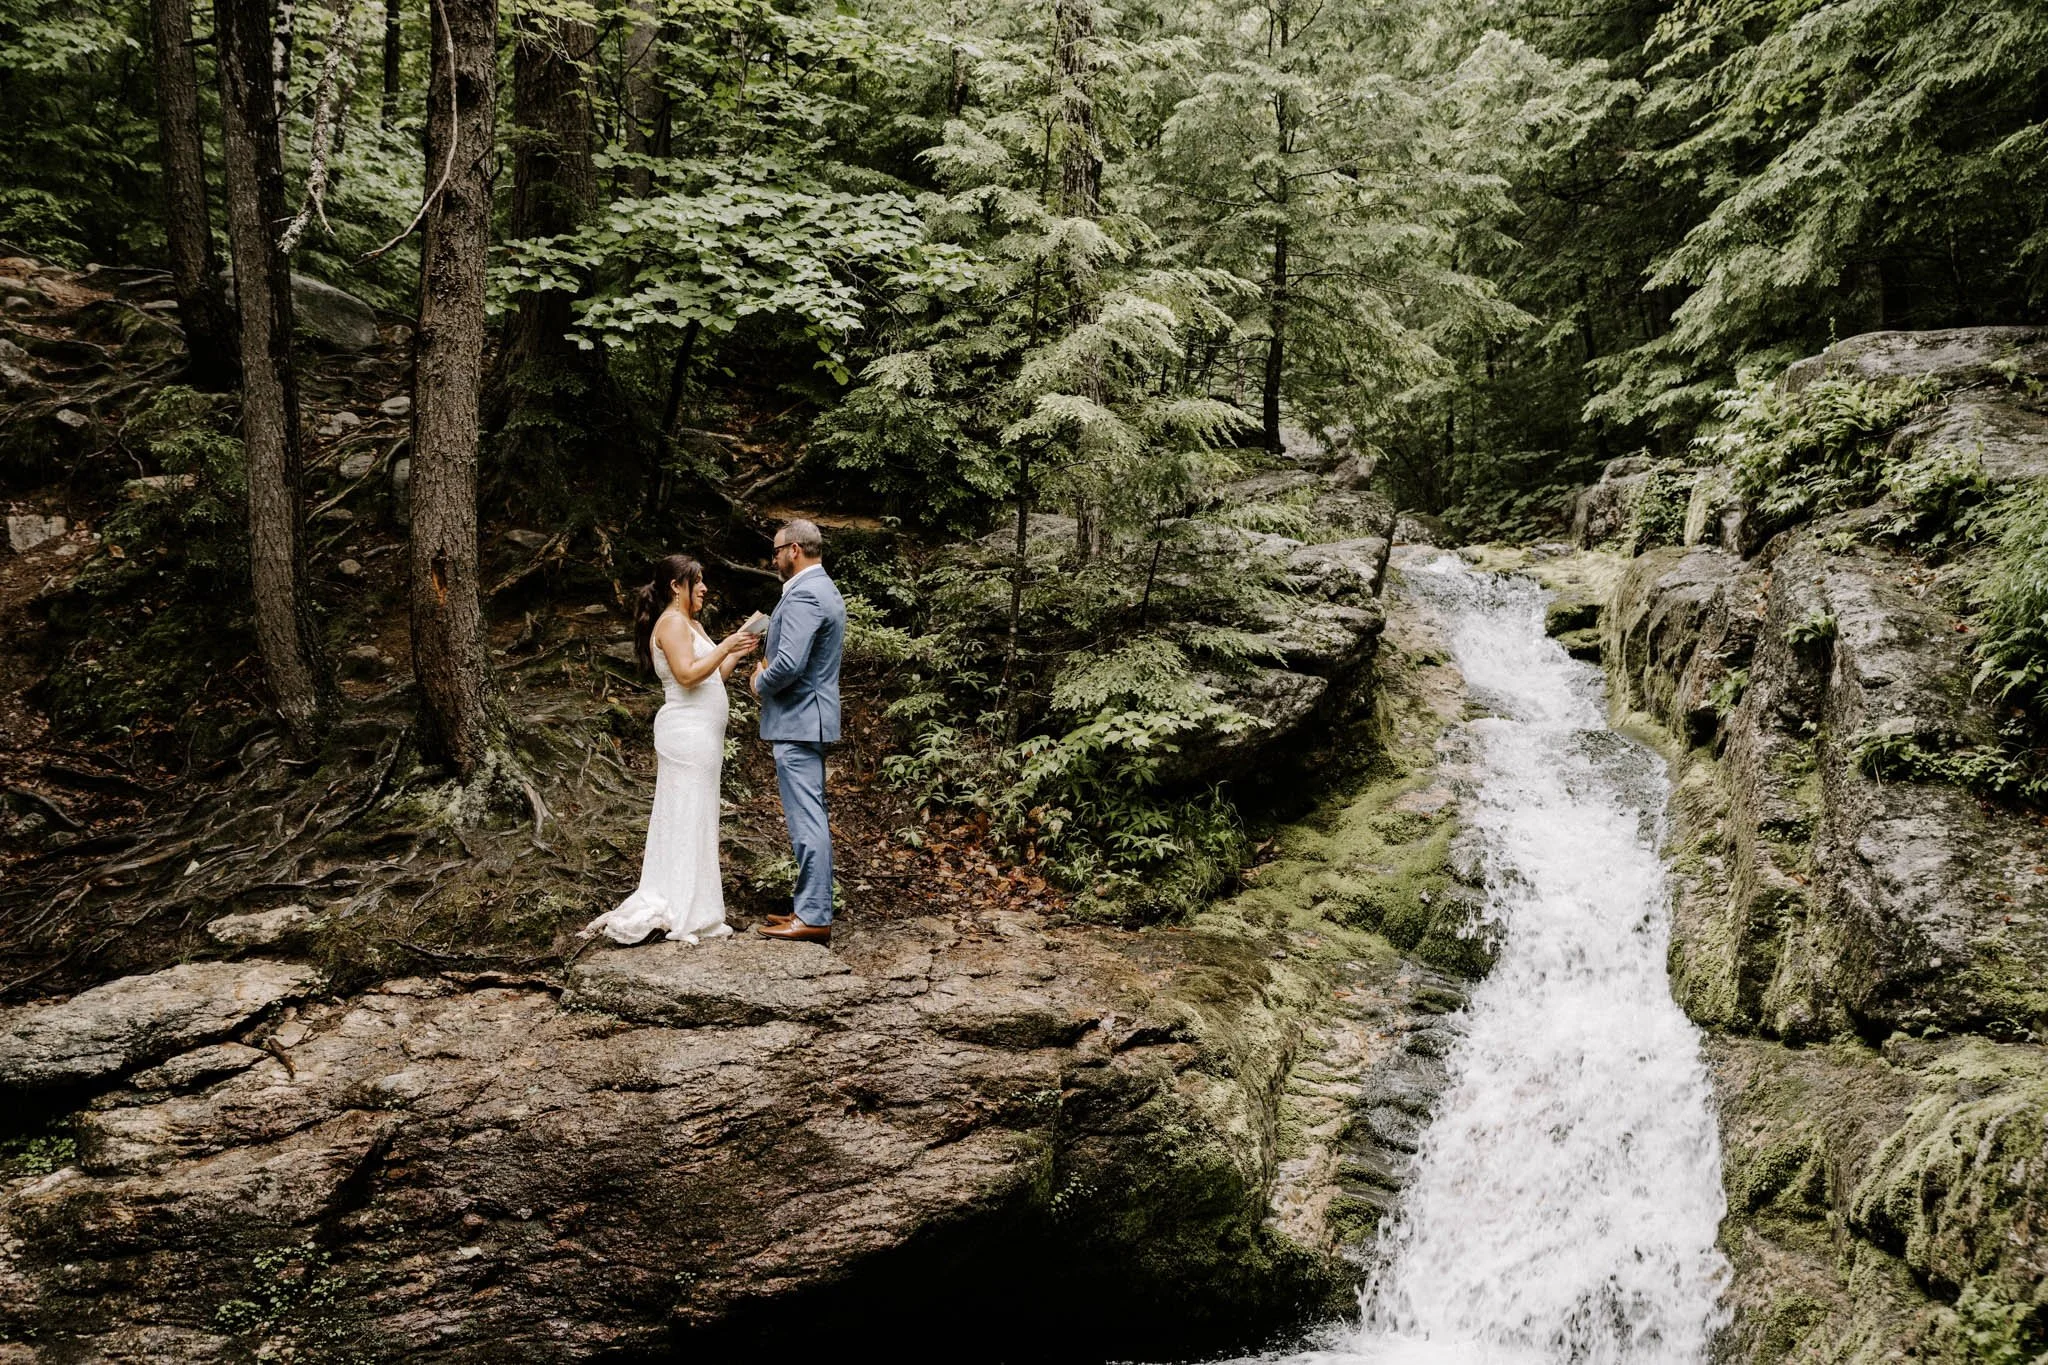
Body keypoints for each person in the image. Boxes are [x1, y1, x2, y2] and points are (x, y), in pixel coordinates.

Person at [582, 554, 757, 946]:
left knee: (697, 816)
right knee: (686, 814)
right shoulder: (673, 623)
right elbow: (686, 675)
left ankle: (699, 906)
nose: (705, 588)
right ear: (677, 586)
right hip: (687, 733)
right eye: (697, 581)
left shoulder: (690, 623)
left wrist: (735, 653)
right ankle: (683, 907)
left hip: (702, 732)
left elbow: (710, 678)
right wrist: (725, 644)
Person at [751, 519, 846, 943]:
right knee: (811, 817)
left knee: (807, 821)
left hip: (800, 719)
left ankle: (812, 915)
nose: (773, 559)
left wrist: (759, 682)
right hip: (810, 719)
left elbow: (789, 665)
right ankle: (808, 907)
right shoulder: (822, 588)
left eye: (776, 551)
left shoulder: (806, 592)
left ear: (794, 550)